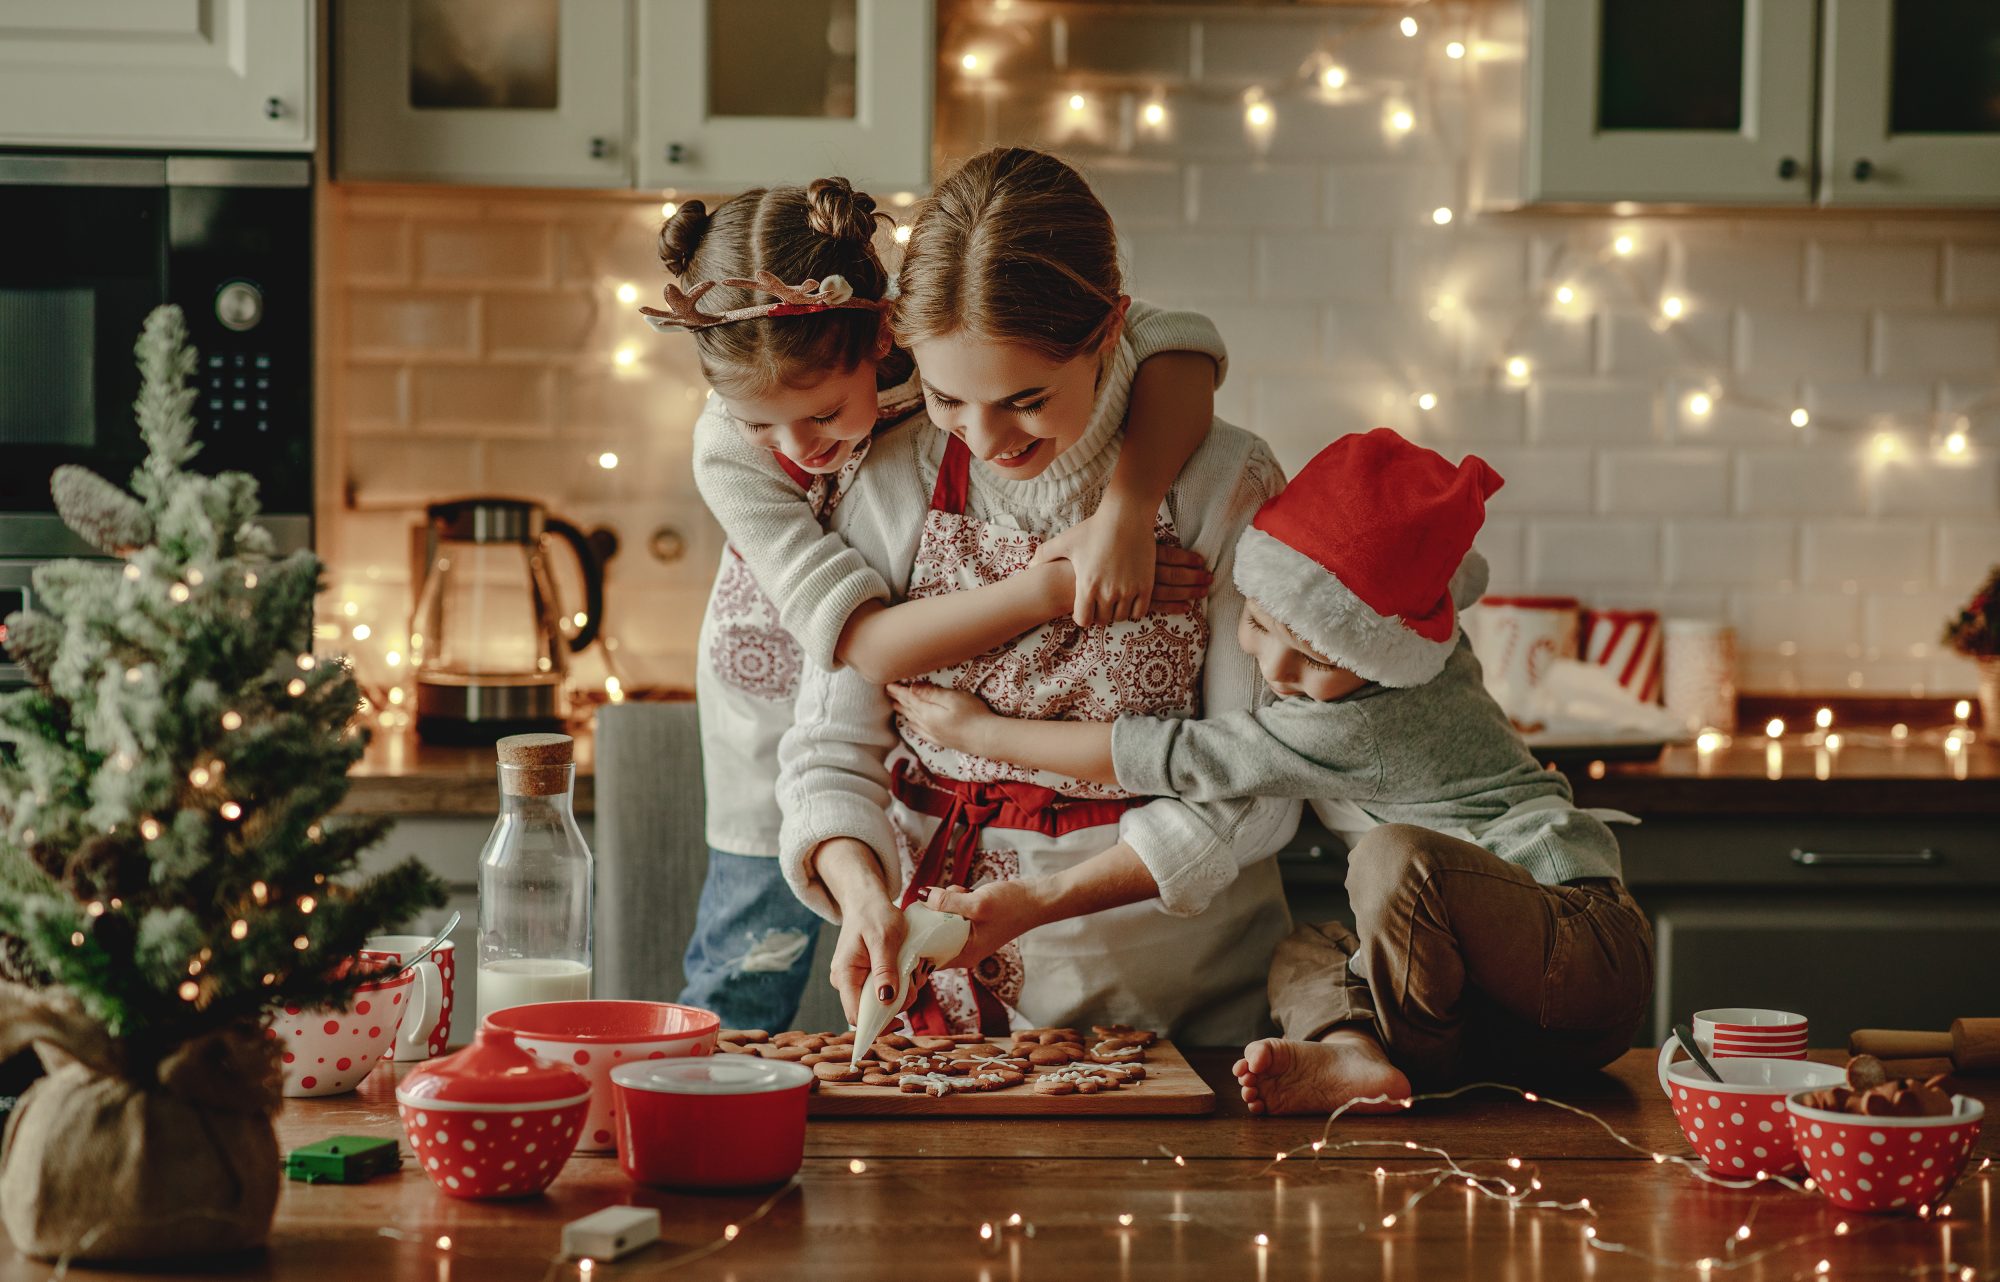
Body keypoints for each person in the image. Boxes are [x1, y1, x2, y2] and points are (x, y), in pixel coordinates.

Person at [890, 428, 1655, 1113]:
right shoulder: (1413, 633)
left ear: (1377, 655)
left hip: (1577, 945)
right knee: (1301, 953)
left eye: (1317, 659)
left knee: (1398, 858)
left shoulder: (1364, 719)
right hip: (1504, 1012)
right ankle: (1358, 1057)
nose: (1275, 667)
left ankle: (1410, 1061)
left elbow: (1176, 755)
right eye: (1256, 624)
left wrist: (985, 730)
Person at [651, 176, 1228, 1030]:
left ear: (886, 335)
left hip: (923, 645)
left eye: (820, 415)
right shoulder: (730, 453)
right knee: (750, 951)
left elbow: (1177, 347)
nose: (794, 449)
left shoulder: (942, 351)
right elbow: (869, 649)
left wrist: (1127, 510)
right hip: (796, 655)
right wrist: (1054, 586)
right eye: (759, 425)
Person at [775, 147, 1301, 1044]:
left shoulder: (1220, 481)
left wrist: (1045, 900)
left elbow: (1254, 782)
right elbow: (831, 748)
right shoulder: (893, 473)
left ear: (1109, 332)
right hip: (941, 1012)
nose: (982, 439)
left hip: (1178, 1007)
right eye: (946, 398)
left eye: (1024, 399)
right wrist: (863, 893)